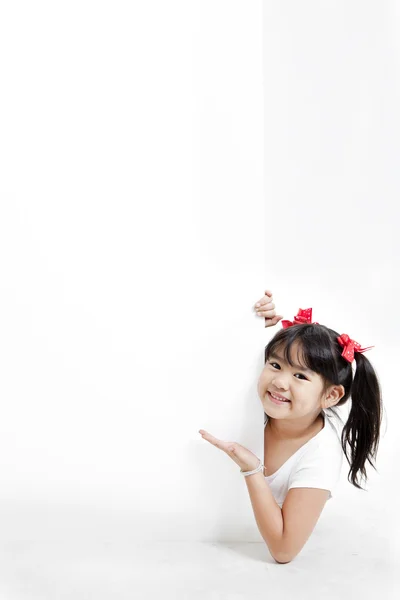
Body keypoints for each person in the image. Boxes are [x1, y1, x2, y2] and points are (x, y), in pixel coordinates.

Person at [199, 289, 384, 563]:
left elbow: (284, 550)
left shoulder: (321, 454)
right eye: (275, 365)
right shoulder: (252, 402)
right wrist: (248, 318)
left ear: (330, 396)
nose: (279, 382)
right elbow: (209, 350)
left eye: (300, 375)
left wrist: (252, 469)